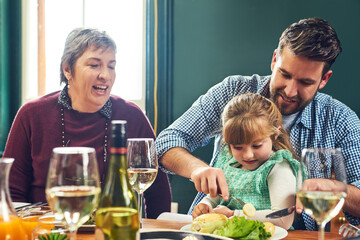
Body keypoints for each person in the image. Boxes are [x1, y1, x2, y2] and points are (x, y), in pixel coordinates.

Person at [156, 17, 360, 230]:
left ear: (324, 79)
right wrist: (197, 169)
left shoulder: (340, 120)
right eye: (284, 74)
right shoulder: (232, 92)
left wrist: (336, 190)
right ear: (274, 60)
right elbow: (165, 142)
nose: (290, 91)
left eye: (305, 82)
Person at [3, 28, 171, 219]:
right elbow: (11, 194)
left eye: (111, 66)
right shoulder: (32, 114)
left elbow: (158, 196)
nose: (105, 75)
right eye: (94, 65)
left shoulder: (132, 116)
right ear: (67, 68)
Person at [192, 93, 301, 230]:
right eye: (237, 147)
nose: (248, 155)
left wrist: (233, 214)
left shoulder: (278, 167)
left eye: (257, 146)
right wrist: (205, 205)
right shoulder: (228, 161)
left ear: (274, 136)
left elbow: (282, 218)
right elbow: (218, 197)